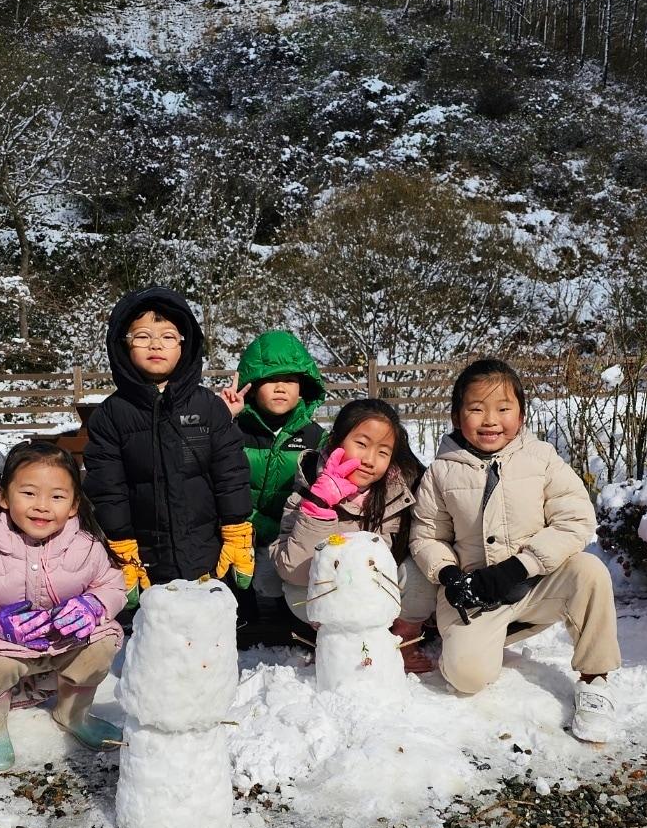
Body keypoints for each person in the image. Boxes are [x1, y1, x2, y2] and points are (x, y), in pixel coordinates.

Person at [410, 358, 621, 742]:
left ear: (520, 414)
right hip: (475, 593)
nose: (490, 420)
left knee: (590, 572)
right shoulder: (440, 472)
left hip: (534, 580)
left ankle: (595, 680)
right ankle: (494, 634)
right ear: (457, 416)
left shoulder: (541, 458)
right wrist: (448, 574)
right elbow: (426, 536)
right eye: (477, 409)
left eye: (503, 409)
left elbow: (576, 520)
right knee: (465, 677)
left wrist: (519, 567)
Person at [0, 439, 126, 770]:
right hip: (5, 651)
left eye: (57, 496)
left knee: (104, 638)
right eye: (29, 493)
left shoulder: (87, 546)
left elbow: (111, 584)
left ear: (74, 505)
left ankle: (74, 714)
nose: (42, 506)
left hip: (62, 643)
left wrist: (94, 604)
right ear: (3, 497)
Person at [83, 287, 254, 604]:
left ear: (184, 344)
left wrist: (236, 528)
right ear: (124, 344)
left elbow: (231, 471)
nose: (156, 344)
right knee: (156, 632)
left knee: (208, 630)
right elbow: (108, 486)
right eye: (143, 336)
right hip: (145, 553)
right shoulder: (111, 415)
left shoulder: (209, 407)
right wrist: (121, 541)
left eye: (168, 336)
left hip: (208, 547)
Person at [271, 398, 436, 673]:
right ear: (335, 441)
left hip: (383, 592)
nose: (370, 460)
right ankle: (336, 643)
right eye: (361, 444)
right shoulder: (307, 490)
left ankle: (404, 640)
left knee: (420, 570)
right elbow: (293, 571)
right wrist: (319, 506)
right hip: (335, 593)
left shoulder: (402, 490)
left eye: (383, 452)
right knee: (296, 590)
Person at [219, 330, 327, 643]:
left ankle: (290, 615)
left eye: (290, 380)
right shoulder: (233, 430)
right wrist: (221, 421)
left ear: (303, 386)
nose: (280, 388)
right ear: (251, 386)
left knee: (277, 581)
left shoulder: (314, 437)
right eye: (269, 379)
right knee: (235, 567)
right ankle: (240, 611)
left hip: (288, 532)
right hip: (242, 528)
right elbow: (212, 475)